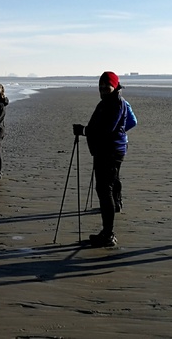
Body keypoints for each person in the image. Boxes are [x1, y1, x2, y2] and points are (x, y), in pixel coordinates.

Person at [73, 71, 134, 248]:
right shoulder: (106, 103)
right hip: (107, 150)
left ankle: (108, 234)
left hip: (111, 151)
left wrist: (84, 131)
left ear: (114, 87)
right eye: (101, 87)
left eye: (106, 87)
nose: (103, 90)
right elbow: (98, 126)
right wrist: (86, 131)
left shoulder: (116, 103)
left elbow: (107, 129)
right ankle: (107, 232)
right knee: (106, 188)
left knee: (104, 190)